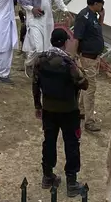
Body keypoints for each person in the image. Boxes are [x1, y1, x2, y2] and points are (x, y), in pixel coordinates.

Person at [33, 28, 89, 197]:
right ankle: (71, 182)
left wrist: (38, 106)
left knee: (49, 141)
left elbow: (35, 84)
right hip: (69, 110)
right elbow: (84, 83)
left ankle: (47, 176)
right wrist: (78, 65)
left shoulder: (40, 60)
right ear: (65, 42)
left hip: (49, 108)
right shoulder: (68, 62)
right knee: (71, 143)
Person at [19, 0, 68, 68]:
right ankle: (28, 63)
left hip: (48, 19)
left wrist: (65, 10)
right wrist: (32, 9)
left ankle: (39, 68)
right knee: (38, 47)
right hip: (34, 19)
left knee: (46, 47)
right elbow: (23, 1)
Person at [71, 0, 106, 132]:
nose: (103, 5)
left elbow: (97, 33)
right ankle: (89, 121)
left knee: (87, 86)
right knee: (90, 89)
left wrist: (102, 18)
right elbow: (76, 38)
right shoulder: (83, 17)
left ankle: (80, 110)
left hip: (94, 57)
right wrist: (74, 57)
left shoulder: (93, 17)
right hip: (87, 58)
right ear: (96, 3)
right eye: (102, 3)